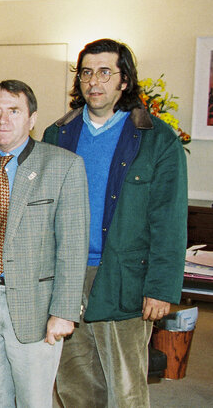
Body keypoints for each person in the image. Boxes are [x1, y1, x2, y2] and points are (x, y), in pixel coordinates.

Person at [44, 39, 188, 407]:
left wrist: (161, 287)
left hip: (125, 279)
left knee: (125, 388)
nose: (95, 81)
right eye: (87, 72)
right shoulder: (57, 136)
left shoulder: (156, 139)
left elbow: (169, 219)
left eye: (105, 72)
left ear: (124, 81)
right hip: (68, 276)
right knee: (74, 384)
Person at [0, 80, 89, 407]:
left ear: (32, 118)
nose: (2, 120)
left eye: (14, 111)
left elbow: (72, 247)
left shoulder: (63, 166)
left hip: (35, 307)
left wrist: (64, 311)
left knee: (32, 399)